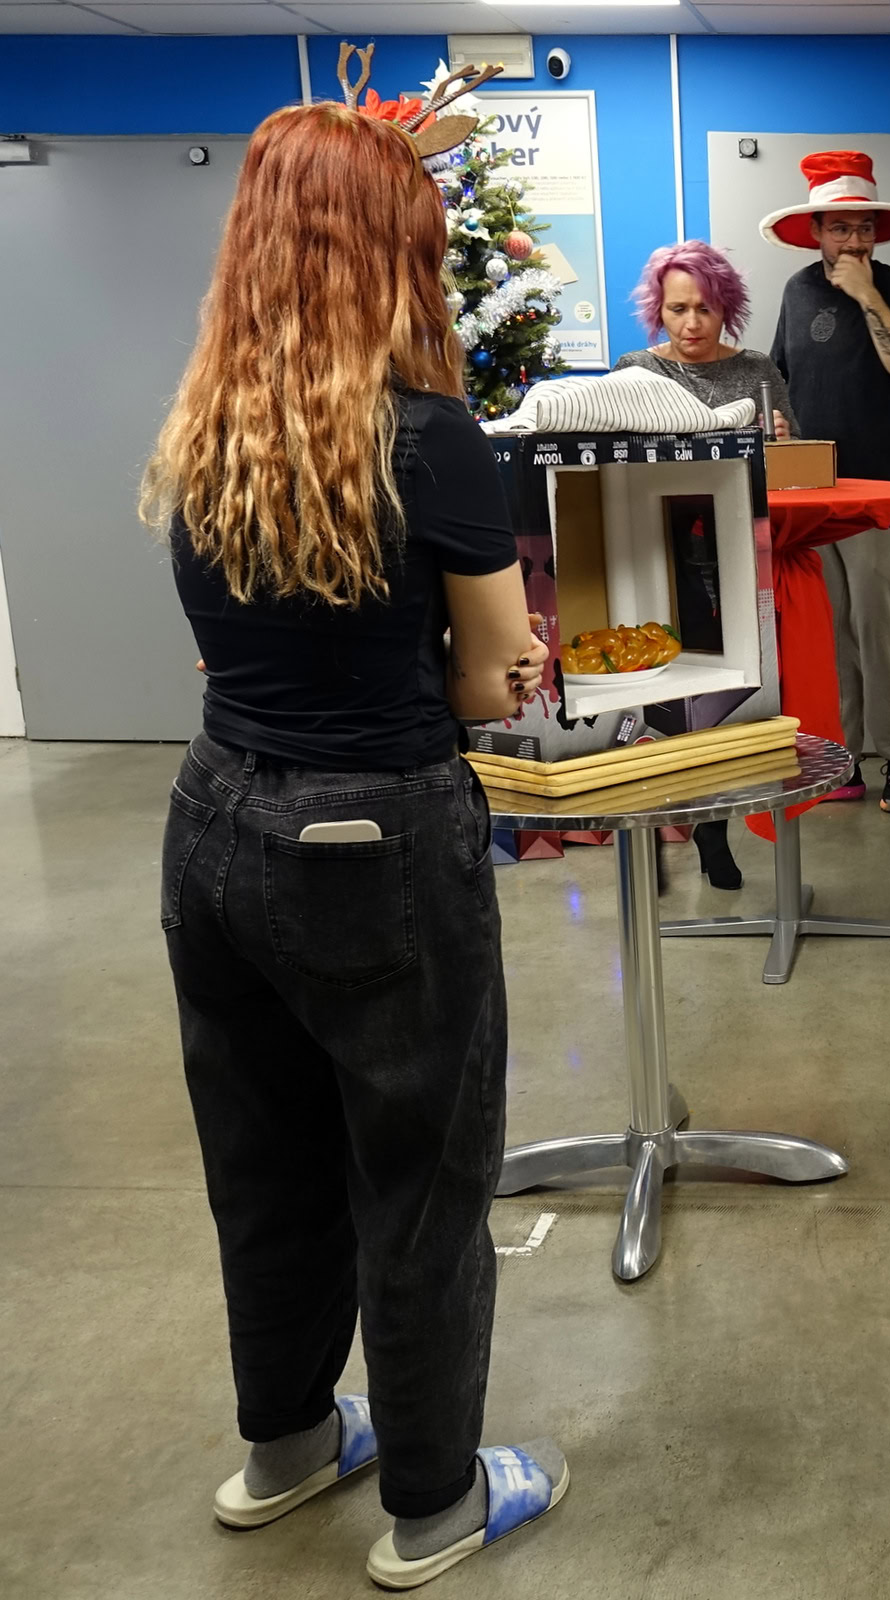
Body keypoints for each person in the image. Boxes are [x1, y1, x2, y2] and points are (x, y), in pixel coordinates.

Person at [139, 94, 567, 1590]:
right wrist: (508, 662)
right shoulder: (432, 439)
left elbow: (233, 652)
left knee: (261, 1161)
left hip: (213, 821)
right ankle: (438, 1500)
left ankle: (289, 1446)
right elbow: (486, 684)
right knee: (420, 1178)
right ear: (394, 254)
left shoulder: (210, 424)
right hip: (373, 838)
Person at [615, 240, 797, 891]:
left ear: (727, 308)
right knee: (672, 702)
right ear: (657, 311)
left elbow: (792, 468)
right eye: (677, 309)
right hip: (662, 559)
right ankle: (685, 826)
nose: (691, 323)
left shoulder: (756, 370)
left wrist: (781, 443)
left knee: (733, 702)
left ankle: (716, 825)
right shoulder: (635, 370)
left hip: (742, 557)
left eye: (705, 309)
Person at [763, 151, 890, 814]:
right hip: (809, 498)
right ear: (816, 232)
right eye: (840, 228)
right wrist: (775, 423)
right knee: (829, 637)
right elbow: (777, 376)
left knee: (883, 636)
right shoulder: (796, 291)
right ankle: (844, 760)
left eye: (864, 227)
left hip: (880, 498)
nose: (854, 240)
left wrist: (866, 295)